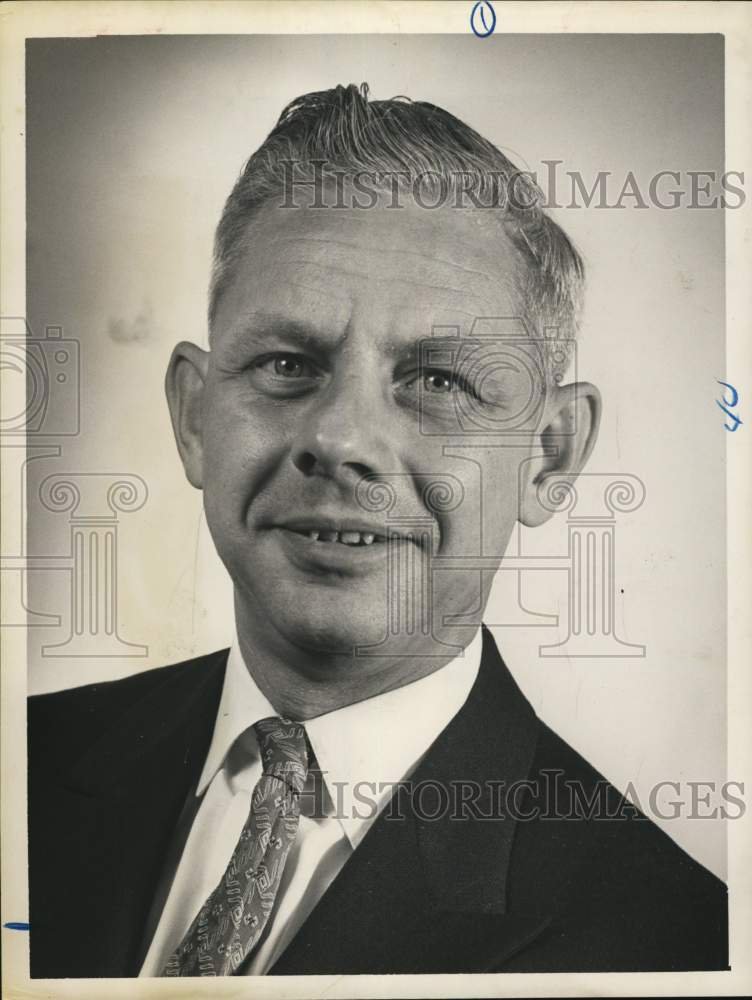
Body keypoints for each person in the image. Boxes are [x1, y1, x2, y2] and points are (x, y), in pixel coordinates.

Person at [28, 83, 727, 977]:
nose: (340, 439)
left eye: (438, 381)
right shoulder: (29, 763)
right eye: (287, 364)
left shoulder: (675, 943)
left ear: (549, 457)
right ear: (196, 418)